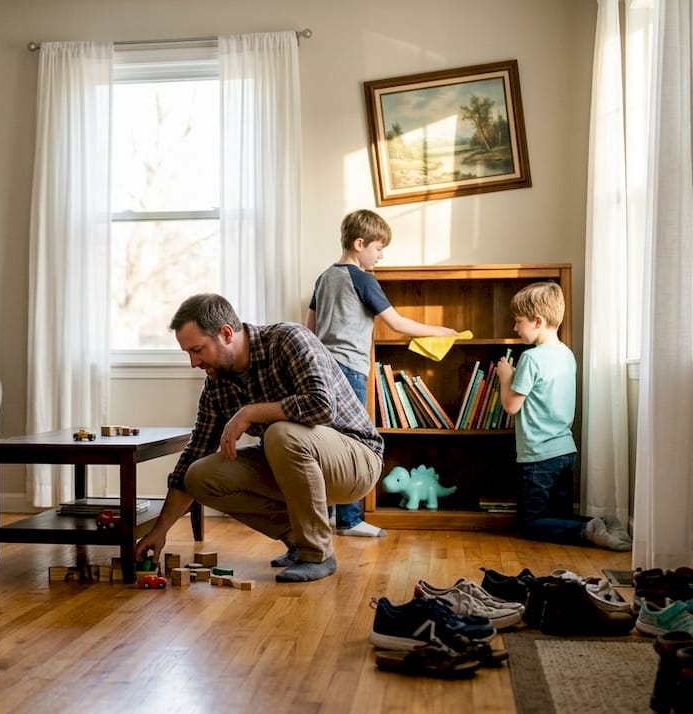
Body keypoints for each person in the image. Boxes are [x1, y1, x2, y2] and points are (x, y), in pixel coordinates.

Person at [134, 294, 384, 583]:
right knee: (199, 475)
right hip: (295, 464)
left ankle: (317, 553)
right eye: (188, 353)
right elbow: (195, 453)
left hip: (356, 461)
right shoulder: (217, 385)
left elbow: (322, 407)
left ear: (226, 333)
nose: (193, 362)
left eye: (198, 350)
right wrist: (160, 530)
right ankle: (297, 538)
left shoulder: (289, 339)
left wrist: (250, 413)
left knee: (281, 432)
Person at [306, 209, 457, 537]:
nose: (381, 255)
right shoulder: (362, 279)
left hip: (323, 368)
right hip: (350, 369)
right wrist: (440, 331)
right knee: (354, 444)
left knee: (328, 444)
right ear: (359, 244)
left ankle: (331, 515)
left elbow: (310, 329)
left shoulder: (324, 277)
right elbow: (398, 323)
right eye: (378, 248)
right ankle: (350, 519)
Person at [493, 282, 630, 551]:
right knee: (558, 517)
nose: (515, 328)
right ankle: (599, 522)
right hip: (566, 452)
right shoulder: (567, 354)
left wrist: (505, 377)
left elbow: (511, 406)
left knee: (531, 523)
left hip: (537, 458)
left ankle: (587, 527)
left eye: (518, 321)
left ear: (537, 321)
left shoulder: (531, 359)